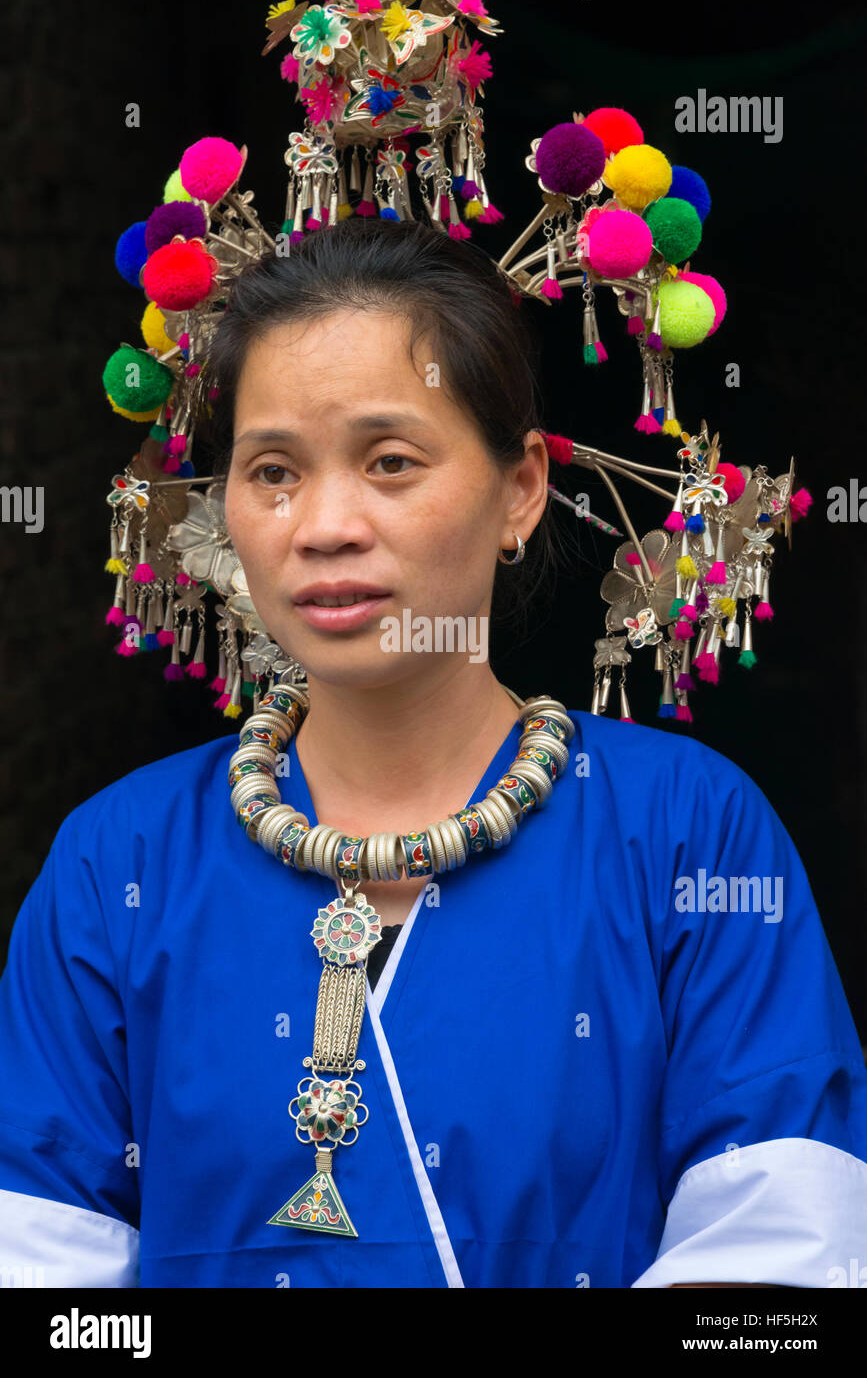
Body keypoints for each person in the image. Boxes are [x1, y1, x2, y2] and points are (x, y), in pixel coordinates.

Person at [1, 218, 865, 1290]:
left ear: (521, 488)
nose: (324, 525)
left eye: (391, 461)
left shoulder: (689, 832)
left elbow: (776, 1259)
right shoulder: (115, 865)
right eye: (272, 469)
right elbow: (42, 1266)